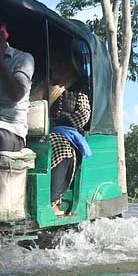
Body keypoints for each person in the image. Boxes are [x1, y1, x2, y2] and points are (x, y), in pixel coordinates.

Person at [46, 54, 91, 216]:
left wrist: (63, 123)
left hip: (68, 133)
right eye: (54, 64)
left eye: (61, 64)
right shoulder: (44, 87)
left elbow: (84, 113)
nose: (57, 68)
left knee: (61, 147)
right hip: (42, 130)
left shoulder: (78, 89)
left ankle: (52, 201)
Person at [0, 11, 34, 153]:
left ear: (3, 30)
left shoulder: (22, 59)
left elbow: (16, 94)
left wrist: (0, 60)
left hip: (11, 131)